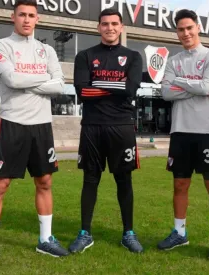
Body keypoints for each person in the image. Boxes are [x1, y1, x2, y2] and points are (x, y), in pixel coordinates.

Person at [0, 0, 68, 271]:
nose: (27, 20)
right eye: (22, 15)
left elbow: (61, 85)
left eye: (31, 15)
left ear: (37, 19)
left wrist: (29, 80)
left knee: (44, 181)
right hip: (12, 124)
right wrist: (43, 80)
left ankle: (45, 239)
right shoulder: (1, 46)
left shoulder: (47, 50)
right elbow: (11, 80)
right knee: (0, 185)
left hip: (42, 125)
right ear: (12, 17)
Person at [68, 8, 144, 254]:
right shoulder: (85, 56)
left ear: (121, 27)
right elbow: (82, 91)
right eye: (104, 24)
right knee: (90, 179)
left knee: (124, 180)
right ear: (98, 27)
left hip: (122, 126)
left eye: (114, 23)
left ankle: (128, 233)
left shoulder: (132, 56)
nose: (109, 28)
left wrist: (98, 85)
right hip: (92, 126)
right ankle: (84, 233)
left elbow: (131, 89)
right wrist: (116, 87)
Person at [158, 9, 209, 260]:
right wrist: (197, 87)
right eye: (180, 29)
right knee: (179, 184)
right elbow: (165, 93)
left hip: (207, 131)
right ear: (176, 32)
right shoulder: (174, 61)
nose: (185, 33)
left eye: (189, 28)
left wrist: (182, 83)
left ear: (197, 27)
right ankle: (179, 233)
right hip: (180, 132)